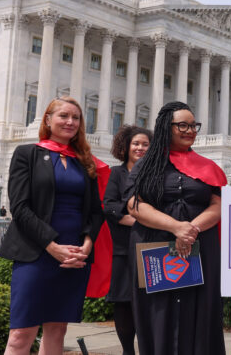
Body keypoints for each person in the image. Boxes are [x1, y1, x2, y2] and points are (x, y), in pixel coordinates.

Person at [0, 96, 109, 354]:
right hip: (36, 252)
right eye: (63, 116)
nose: (70, 122)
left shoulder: (85, 161)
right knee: (20, 334)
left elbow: (95, 210)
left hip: (74, 254)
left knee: (57, 330)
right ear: (48, 120)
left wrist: (87, 245)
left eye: (76, 117)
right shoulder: (27, 154)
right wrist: (52, 246)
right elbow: (20, 208)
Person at [125, 101, 226, 355]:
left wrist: (190, 230)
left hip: (200, 246)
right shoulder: (146, 165)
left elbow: (218, 204)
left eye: (194, 126)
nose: (190, 130)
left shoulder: (209, 166)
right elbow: (135, 205)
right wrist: (176, 228)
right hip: (155, 244)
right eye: (182, 125)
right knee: (158, 313)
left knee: (200, 311)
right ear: (165, 127)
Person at [103, 125, 152, 355]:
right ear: (126, 146)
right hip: (125, 246)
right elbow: (110, 207)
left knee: (148, 301)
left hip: (151, 245)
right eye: (136, 144)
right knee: (123, 301)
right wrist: (140, 220)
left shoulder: (155, 174)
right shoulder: (117, 173)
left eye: (145, 144)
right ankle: (127, 351)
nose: (140, 148)